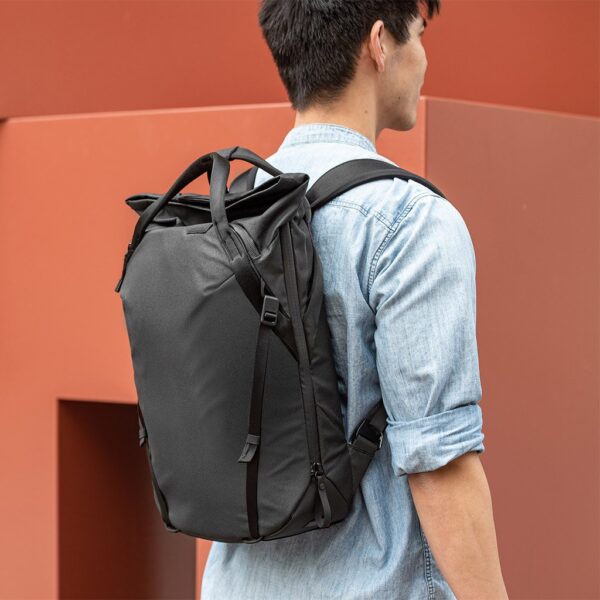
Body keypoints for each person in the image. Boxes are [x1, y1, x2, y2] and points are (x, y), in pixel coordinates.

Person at [201, 1, 508, 598]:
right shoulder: (409, 222)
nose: (424, 58)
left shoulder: (229, 210)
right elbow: (439, 464)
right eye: (419, 35)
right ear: (379, 44)